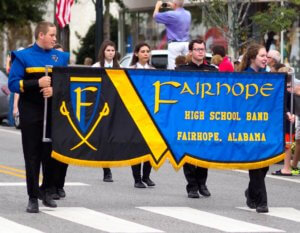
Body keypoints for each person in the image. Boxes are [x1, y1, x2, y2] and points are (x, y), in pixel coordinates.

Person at [8, 21, 69, 213]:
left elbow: (67, 83)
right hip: (32, 111)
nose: (54, 38)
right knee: (32, 155)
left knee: (51, 155)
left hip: (53, 111)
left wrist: (55, 89)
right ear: (40, 35)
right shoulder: (23, 56)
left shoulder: (61, 57)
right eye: (51, 35)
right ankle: (32, 196)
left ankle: (47, 191)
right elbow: (13, 84)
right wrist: (38, 83)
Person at [177, 39, 217, 198]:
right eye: (197, 49)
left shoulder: (213, 70)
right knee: (188, 151)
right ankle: (192, 185)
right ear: (191, 51)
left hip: (206, 117)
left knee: (204, 150)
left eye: (202, 49)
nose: (200, 52)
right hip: (187, 117)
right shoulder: (182, 70)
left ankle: (202, 183)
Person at [237, 43, 269, 213]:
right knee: (256, 163)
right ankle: (262, 202)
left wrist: (286, 113)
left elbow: (276, 100)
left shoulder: (269, 77)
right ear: (252, 58)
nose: (266, 59)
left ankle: (251, 192)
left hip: (265, 126)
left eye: (266, 56)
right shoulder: (243, 77)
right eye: (262, 56)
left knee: (264, 165)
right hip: (248, 127)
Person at [92, 40, 121, 182]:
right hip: (101, 108)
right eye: (108, 50)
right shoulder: (96, 67)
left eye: (112, 50)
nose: (110, 53)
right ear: (103, 52)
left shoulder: (120, 67)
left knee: (113, 138)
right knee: (103, 139)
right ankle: (106, 170)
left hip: (115, 106)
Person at [129, 42, 155, 188]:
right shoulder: (130, 70)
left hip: (151, 114)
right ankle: (137, 179)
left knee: (150, 146)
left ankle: (146, 176)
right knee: (136, 146)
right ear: (136, 54)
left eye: (148, 51)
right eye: (143, 51)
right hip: (135, 113)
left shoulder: (154, 71)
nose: (146, 54)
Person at [153, 0, 191, 70]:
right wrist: (173, 5)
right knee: (187, 68)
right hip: (186, 44)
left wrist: (157, 5)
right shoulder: (188, 14)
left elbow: (155, 16)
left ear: (174, 4)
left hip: (174, 44)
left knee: (173, 68)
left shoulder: (171, 14)